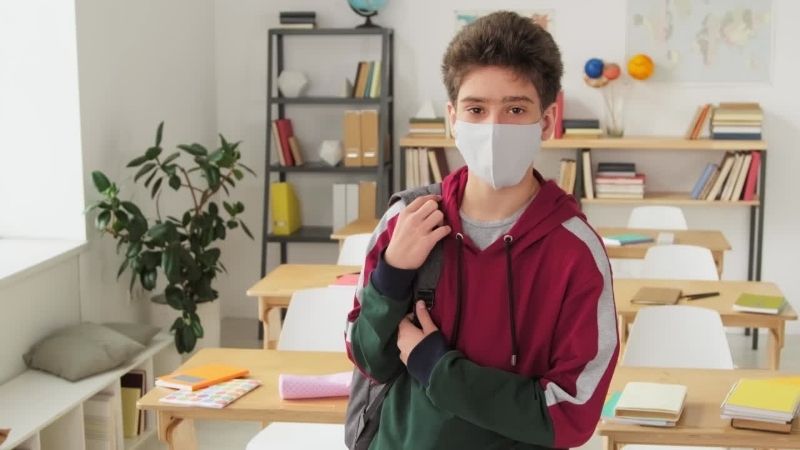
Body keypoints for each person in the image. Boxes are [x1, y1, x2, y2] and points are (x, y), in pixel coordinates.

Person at [346, 11, 618, 449]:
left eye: (516, 109)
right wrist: (393, 273)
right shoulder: (405, 220)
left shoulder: (575, 251)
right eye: (476, 109)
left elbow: (571, 414)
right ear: (453, 118)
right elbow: (367, 360)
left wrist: (439, 371)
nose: (494, 127)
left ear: (547, 121)